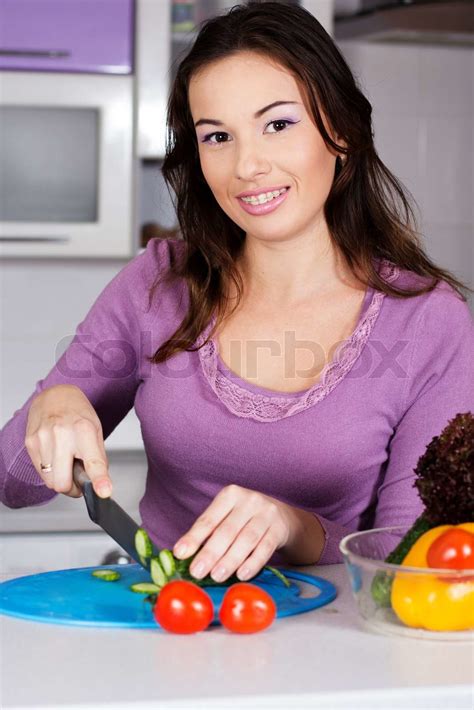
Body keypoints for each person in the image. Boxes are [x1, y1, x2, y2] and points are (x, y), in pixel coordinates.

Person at [1, 2, 473, 584]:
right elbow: (11, 481)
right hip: (169, 631)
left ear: (342, 132)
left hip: (341, 652)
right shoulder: (158, 283)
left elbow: (412, 569)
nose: (247, 165)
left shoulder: (429, 322)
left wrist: (293, 527)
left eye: (278, 124)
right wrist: (55, 405)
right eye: (217, 136)